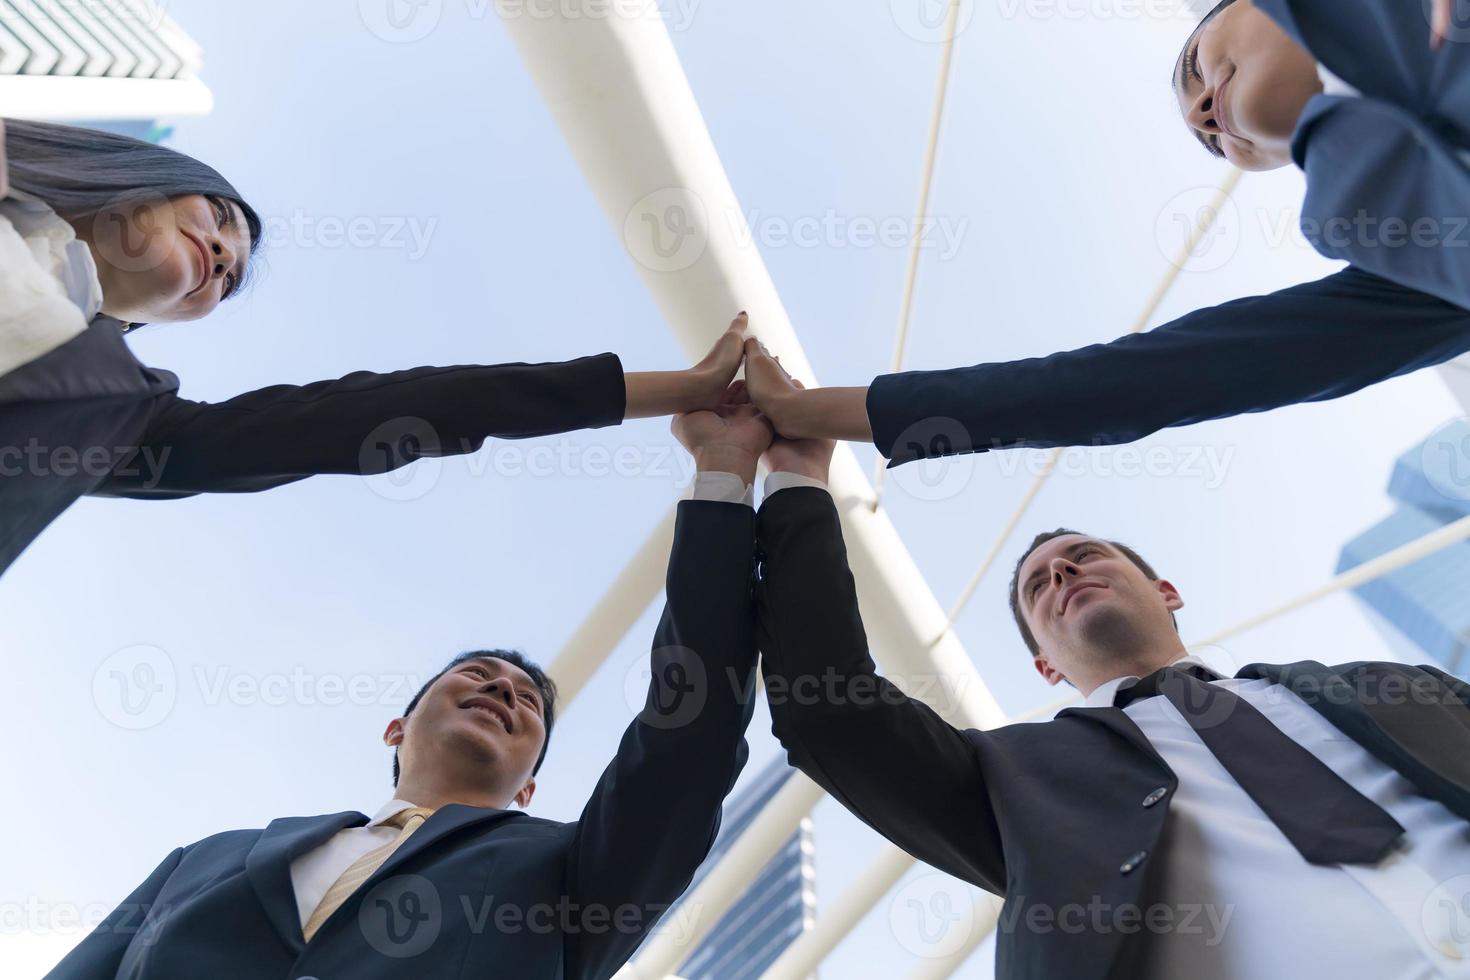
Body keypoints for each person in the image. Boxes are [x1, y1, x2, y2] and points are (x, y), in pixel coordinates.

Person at [750, 369, 1470, 978]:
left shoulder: (1387, 684)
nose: (1062, 571)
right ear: (1045, 666)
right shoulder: (1015, 789)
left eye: (1086, 555)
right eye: (1038, 588)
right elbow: (830, 713)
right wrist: (798, 479)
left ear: (1167, 593)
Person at [44, 383, 773, 980]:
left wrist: (723, 476)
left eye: (527, 702)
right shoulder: (204, 859)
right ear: (396, 729)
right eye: (475, 675)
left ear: (528, 792)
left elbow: (689, 740)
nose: (503, 690)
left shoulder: (576, 873)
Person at [0, 119, 745, 576]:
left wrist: (677, 390)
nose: (225, 257)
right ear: (146, 180)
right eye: (222, 219)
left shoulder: (123, 420)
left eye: (226, 278)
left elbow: (384, 411)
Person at [742, 0, 1470, 468]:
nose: (1201, 118)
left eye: (1196, 67)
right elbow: (1143, 382)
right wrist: (823, 413)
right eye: (1213, 145)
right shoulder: (1391, 247)